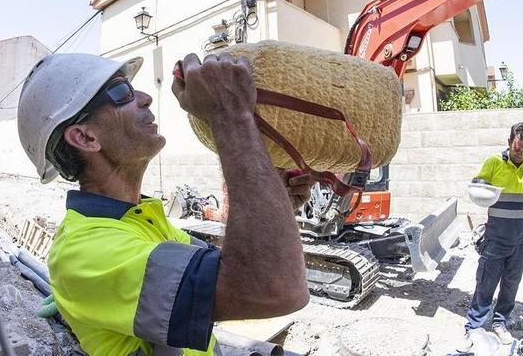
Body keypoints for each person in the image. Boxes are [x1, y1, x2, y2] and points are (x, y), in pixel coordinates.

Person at [17, 51, 311, 355]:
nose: (145, 98)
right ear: (86, 138)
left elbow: (235, 268)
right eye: (121, 92)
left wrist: (278, 203)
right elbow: (274, 287)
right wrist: (230, 115)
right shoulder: (84, 252)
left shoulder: (142, 221)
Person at [463, 122, 523, 346]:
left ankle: (499, 322)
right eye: (517, 148)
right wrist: (480, 189)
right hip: (496, 238)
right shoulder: (495, 162)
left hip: (521, 240)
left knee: (511, 284)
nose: (520, 153)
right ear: (509, 143)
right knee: (486, 283)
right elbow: (478, 186)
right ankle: (474, 326)